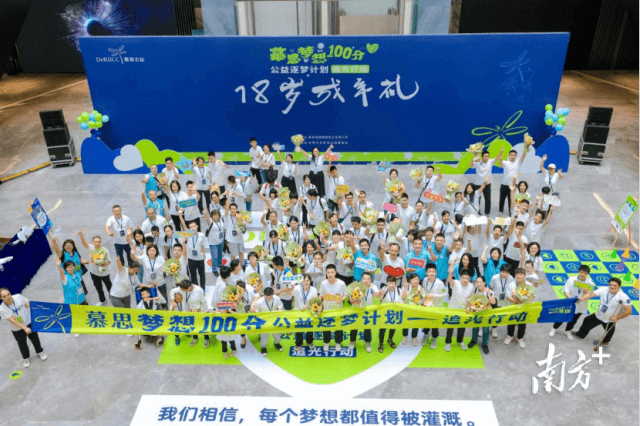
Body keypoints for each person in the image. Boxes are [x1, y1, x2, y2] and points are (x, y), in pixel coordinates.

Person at [573, 277, 633, 346]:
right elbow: (591, 294)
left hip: (610, 318)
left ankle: (606, 341)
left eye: (614, 285)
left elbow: (628, 311)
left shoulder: (623, 297)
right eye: (610, 285)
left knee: (609, 331)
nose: (612, 287)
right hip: (599, 314)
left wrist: (617, 318)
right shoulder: (603, 289)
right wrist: (582, 298)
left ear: (619, 287)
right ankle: (580, 335)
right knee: (587, 320)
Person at [0, 288, 47, 368]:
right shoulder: (2, 309)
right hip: (17, 329)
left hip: (28, 322)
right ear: (1, 298)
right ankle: (26, 358)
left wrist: (33, 305)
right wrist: (24, 328)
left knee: (35, 339)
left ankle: (40, 352)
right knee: (22, 344)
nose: (8, 297)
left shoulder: (18, 297)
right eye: (4, 296)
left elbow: (26, 304)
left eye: (8, 294)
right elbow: (13, 321)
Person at [347, 272, 379, 353]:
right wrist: (357, 298)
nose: (366, 281)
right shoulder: (355, 287)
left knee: (367, 327)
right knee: (354, 326)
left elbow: (378, 295)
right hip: (356, 309)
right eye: (364, 279)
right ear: (361, 279)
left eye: (368, 279)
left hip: (367, 311)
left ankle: (367, 342)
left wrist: (379, 293)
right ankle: (352, 341)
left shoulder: (373, 287)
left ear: (371, 280)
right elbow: (351, 301)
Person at [78, 230, 112, 306]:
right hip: (94, 273)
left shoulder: (105, 250)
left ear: (101, 242)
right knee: (98, 288)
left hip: (104, 273)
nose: (97, 243)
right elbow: (84, 243)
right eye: (95, 242)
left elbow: (109, 261)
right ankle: (103, 300)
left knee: (109, 287)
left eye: (99, 242)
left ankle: (114, 300)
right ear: (92, 242)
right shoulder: (91, 248)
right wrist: (81, 235)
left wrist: (104, 263)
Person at [445, 265, 475, 352]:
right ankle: (448, 342)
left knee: (462, 327)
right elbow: (449, 280)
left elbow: (470, 298)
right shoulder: (456, 283)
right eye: (463, 278)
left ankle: (460, 341)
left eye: (467, 278)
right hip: (452, 309)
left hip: (463, 310)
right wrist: (450, 272)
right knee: (450, 327)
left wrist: (469, 307)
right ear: (460, 277)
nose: (465, 280)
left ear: (469, 278)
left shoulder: (471, 286)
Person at [173, 278, 209, 348]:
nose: (182, 291)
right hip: (190, 311)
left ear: (189, 287)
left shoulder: (199, 290)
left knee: (203, 326)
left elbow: (204, 302)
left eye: (184, 290)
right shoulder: (184, 290)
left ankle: (206, 338)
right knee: (193, 325)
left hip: (199, 311)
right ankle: (195, 337)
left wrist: (206, 312)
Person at [319, 264, 347, 351]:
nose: (330, 274)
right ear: (326, 273)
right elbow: (320, 295)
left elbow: (345, 295)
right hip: (327, 310)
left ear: (335, 272)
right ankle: (326, 342)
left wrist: (342, 299)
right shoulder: (323, 283)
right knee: (326, 327)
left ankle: (338, 343)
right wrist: (318, 303)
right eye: (328, 272)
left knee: (338, 327)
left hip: (338, 309)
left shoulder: (341, 283)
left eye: (332, 272)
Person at [251, 287, 284, 356]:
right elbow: (256, 312)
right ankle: (263, 347)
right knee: (264, 336)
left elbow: (280, 306)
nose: (268, 299)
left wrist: (280, 309)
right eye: (266, 297)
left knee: (277, 334)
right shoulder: (259, 301)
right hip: (264, 322)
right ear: (263, 295)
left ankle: (277, 343)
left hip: (275, 320)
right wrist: (254, 311)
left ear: (273, 294)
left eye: (270, 297)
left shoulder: (276, 298)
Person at [178, 212, 207, 289]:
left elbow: (202, 246)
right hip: (191, 258)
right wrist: (180, 215)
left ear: (197, 226)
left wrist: (204, 255)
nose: (193, 228)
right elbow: (183, 224)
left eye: (194, 226)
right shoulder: (188, 234)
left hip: (200, 258)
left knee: (202, 274)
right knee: (193, 275)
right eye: (191, 227)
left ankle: (203, 288)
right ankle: (196, 288)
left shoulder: (202, 235)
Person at [470, 149, 502, 214]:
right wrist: (474, 156)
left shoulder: (490, 162)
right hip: (478, 184)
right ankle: (477, 211)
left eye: (488, 156)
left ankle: (487, 212)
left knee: (488, 199)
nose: (487, 157)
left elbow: (497, 157)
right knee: (477, 198)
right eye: (485, 156)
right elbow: (471, 165)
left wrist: (501, 151)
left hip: (487, 184)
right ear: (482, 157)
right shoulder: (477, 162)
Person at [504, 268, 531, 348]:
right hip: (513, 307)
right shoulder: (511, 285)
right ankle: (510, 336)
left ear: (524, 276)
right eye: (517, 274)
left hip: (524, 307)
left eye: (521, 274)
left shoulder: (529, 285)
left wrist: (525, 299)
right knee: (511, 321)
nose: (518, 276)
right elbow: (508, 296)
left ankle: (520, 338)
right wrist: (517, 301)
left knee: (522, 322)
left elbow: (533, 296)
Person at [467, 276, 495, 354]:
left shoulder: (488, 291)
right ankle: (473, 340)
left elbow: (493, 302)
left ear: (484, 283)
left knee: (485, 329)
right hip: (477, 312)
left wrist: (489, 293)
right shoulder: (475, 290)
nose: (478, 284)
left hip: (486, 313)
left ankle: (485, 344)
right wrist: (469, 306)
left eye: (480, 282)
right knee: (475, 327)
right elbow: (470, 299)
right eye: (477, 282)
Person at [421, 264, 446, 349]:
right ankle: (425, 335)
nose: (431, 273)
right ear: (426, 272)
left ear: (436, 273)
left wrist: (433, 295)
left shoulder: (440, 283)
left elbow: (444, 294)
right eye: (429, 271)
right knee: (426, 322)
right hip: (427, 305)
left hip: (436, 306)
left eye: (433, 271)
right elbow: (423, 290)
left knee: (435, 323)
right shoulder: (425, 280)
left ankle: (434, 338)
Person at [497, 149, 527, 215]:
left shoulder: (518, 162)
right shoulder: (505, 162)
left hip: (514, 184)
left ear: (516, 156)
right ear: (509, 155)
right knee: (502, 199)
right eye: (511, 155)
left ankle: (510, 212)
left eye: (514, 155)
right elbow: (500, 163)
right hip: (504, 184)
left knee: (512, 199)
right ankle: (500, 211)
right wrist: (500, 154)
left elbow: (523, 155)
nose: (513, 156)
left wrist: (526, 147)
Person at [293, 274, 319, 352]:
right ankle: (298, 343)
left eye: (307, 280)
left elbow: (315, 301)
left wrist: (307, 306)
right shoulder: (297, 288)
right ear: (301, 281)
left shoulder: (314, 289)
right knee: (298, 328)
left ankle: (310, 341)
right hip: (299, 311)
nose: (306, 282)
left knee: (309, 328)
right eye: (304, 280)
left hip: (309, 312)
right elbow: (291, 293)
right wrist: (291, 287)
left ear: (310, 281)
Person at [489, 264, 514, 338]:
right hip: (494, 299)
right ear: (500, 271)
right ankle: (483, 327)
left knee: (498, 315)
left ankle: (494, 328)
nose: (504, 274)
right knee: (491, 314)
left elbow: (512, 289)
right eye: (503, 272)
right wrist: (490, 297)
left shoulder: (511, 278)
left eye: (507, 273)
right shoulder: (494, 278)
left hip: (504, 300)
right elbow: (490, 288)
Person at [378, 276, 402, 352]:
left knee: (393, 327)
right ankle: (381, 343)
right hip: (385, 312)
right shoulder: (384, 289)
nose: (391, 285)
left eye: (393, 283)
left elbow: (402, 301)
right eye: (389, 283)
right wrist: (380, 294)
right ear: (387, 283)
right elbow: (379, 299)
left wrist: (398, 303)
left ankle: (390, 339)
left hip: (395, 312)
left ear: (396, 283)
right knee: (382, 328)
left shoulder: (399, 290)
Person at [401, 273, 423, 345]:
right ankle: (405, 336)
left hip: (416, 308)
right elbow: (403, 297)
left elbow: (423, 298)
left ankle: (414, 337)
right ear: (410, 280)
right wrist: (405, 287)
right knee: (406, 323)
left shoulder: (420, 287)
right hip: (407, 308)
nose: (416, 281)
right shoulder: (406, 287)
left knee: (415, 323)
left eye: (417, 279)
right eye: (414, 279)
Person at [223, 199, 246, 264]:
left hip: (239, 238)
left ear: (236, 209)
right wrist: (229, 197)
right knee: (233, 254)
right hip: (231, 239)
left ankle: (242, 265)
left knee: (241, 253)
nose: (233, 210)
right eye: (231, 209)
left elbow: (243, 225)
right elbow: (226, 208)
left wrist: (243, 223)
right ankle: (234, 266)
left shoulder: (240, 216)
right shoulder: (227, 216)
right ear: (229, 210)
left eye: (234, 209)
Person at [203, 208, 225, 277]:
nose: (216, 216)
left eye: (217, 215)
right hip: (213, 243)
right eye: (214, 215)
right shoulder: (211, 221)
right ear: (212, 216)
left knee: (220, 254)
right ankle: (214, 269)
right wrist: (205, 214)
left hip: (221, 241)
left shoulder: (221, 220)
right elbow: (207, 219)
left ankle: (219, 264)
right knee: (214, 257)